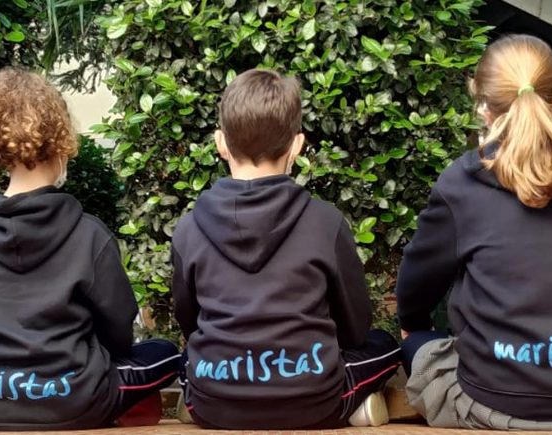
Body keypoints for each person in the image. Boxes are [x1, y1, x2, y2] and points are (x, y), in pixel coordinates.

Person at [395, 34, 552, 430]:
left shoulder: (460, 182)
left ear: (483, 108)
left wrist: (414, 323)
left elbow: (417, 286)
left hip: (496, 407)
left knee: (417, 343)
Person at [0, 67, 179, 430]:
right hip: (75, 400)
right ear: (60, 140)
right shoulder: (89, 234)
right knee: (165, 353)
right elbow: (119, 335)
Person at [171, 69, 400, 430]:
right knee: (385, 344)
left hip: (213, 405)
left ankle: (193, 400)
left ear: (220, 143)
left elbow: (189, 321)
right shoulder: (326, 222)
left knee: (180, 358)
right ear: (297, 145)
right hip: (316, 402)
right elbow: (354, 329)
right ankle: (358, 404)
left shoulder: (188, 229)